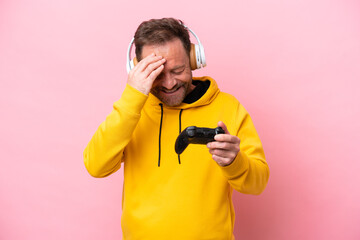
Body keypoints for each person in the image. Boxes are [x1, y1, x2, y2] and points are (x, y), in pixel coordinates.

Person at [84, 18, 269, 240]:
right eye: (157, 74)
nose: (169, 83)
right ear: (137, 69)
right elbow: (96, 166)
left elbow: (258, 184)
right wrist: (132, 98)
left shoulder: (228, 107)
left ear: (194, 60)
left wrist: (234, 162)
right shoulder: (131, 112)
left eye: (178, 70)